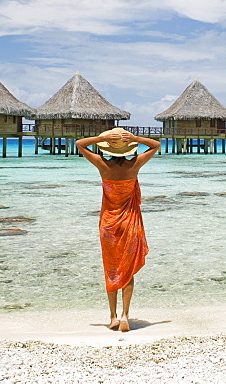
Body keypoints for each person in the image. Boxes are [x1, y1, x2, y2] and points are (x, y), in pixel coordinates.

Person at [76, 127, 161, 332]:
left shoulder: (102, 165)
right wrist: (135, 138)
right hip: (130, 222)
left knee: (112, 269)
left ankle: (112, 316)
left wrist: (101, 137)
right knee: (128, 271)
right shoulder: (135, 165)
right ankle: (125, 316)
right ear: (128, 148)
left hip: (108, 223)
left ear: (108, 148)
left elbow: (79, 144)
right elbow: (156, 145)